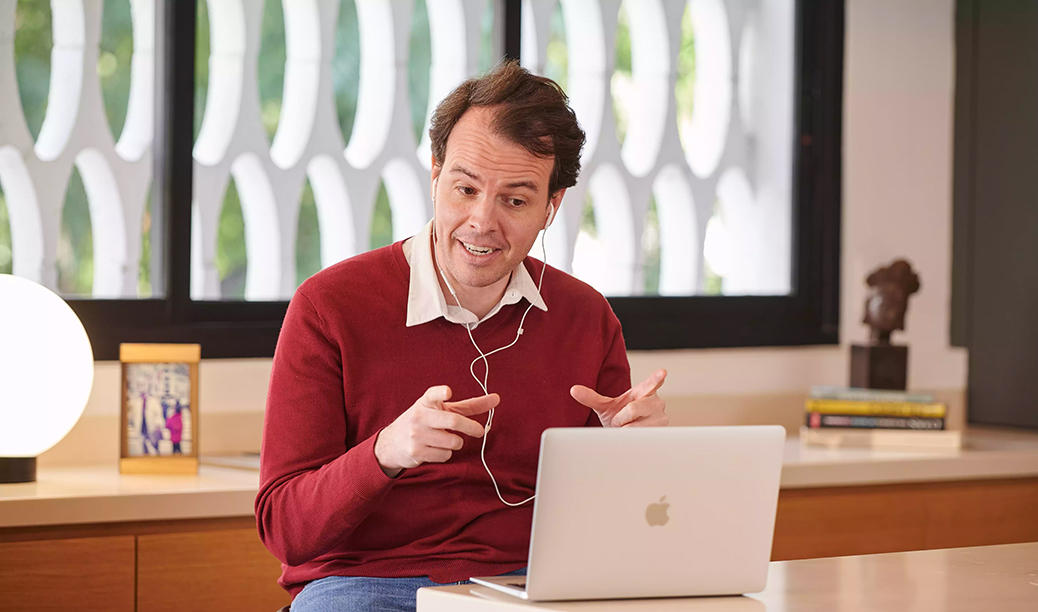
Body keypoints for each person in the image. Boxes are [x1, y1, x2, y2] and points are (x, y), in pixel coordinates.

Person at [256, 61, 668, 612]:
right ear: (435, 173)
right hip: (369, 587)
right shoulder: (329, 306)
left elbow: (615, 527)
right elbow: (284, 529)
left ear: (552, 206)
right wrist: (385, 451)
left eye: (515, 201)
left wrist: (636, 456)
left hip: (529, 587)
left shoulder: (585, 317)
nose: (481, 220)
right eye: (465, 188)